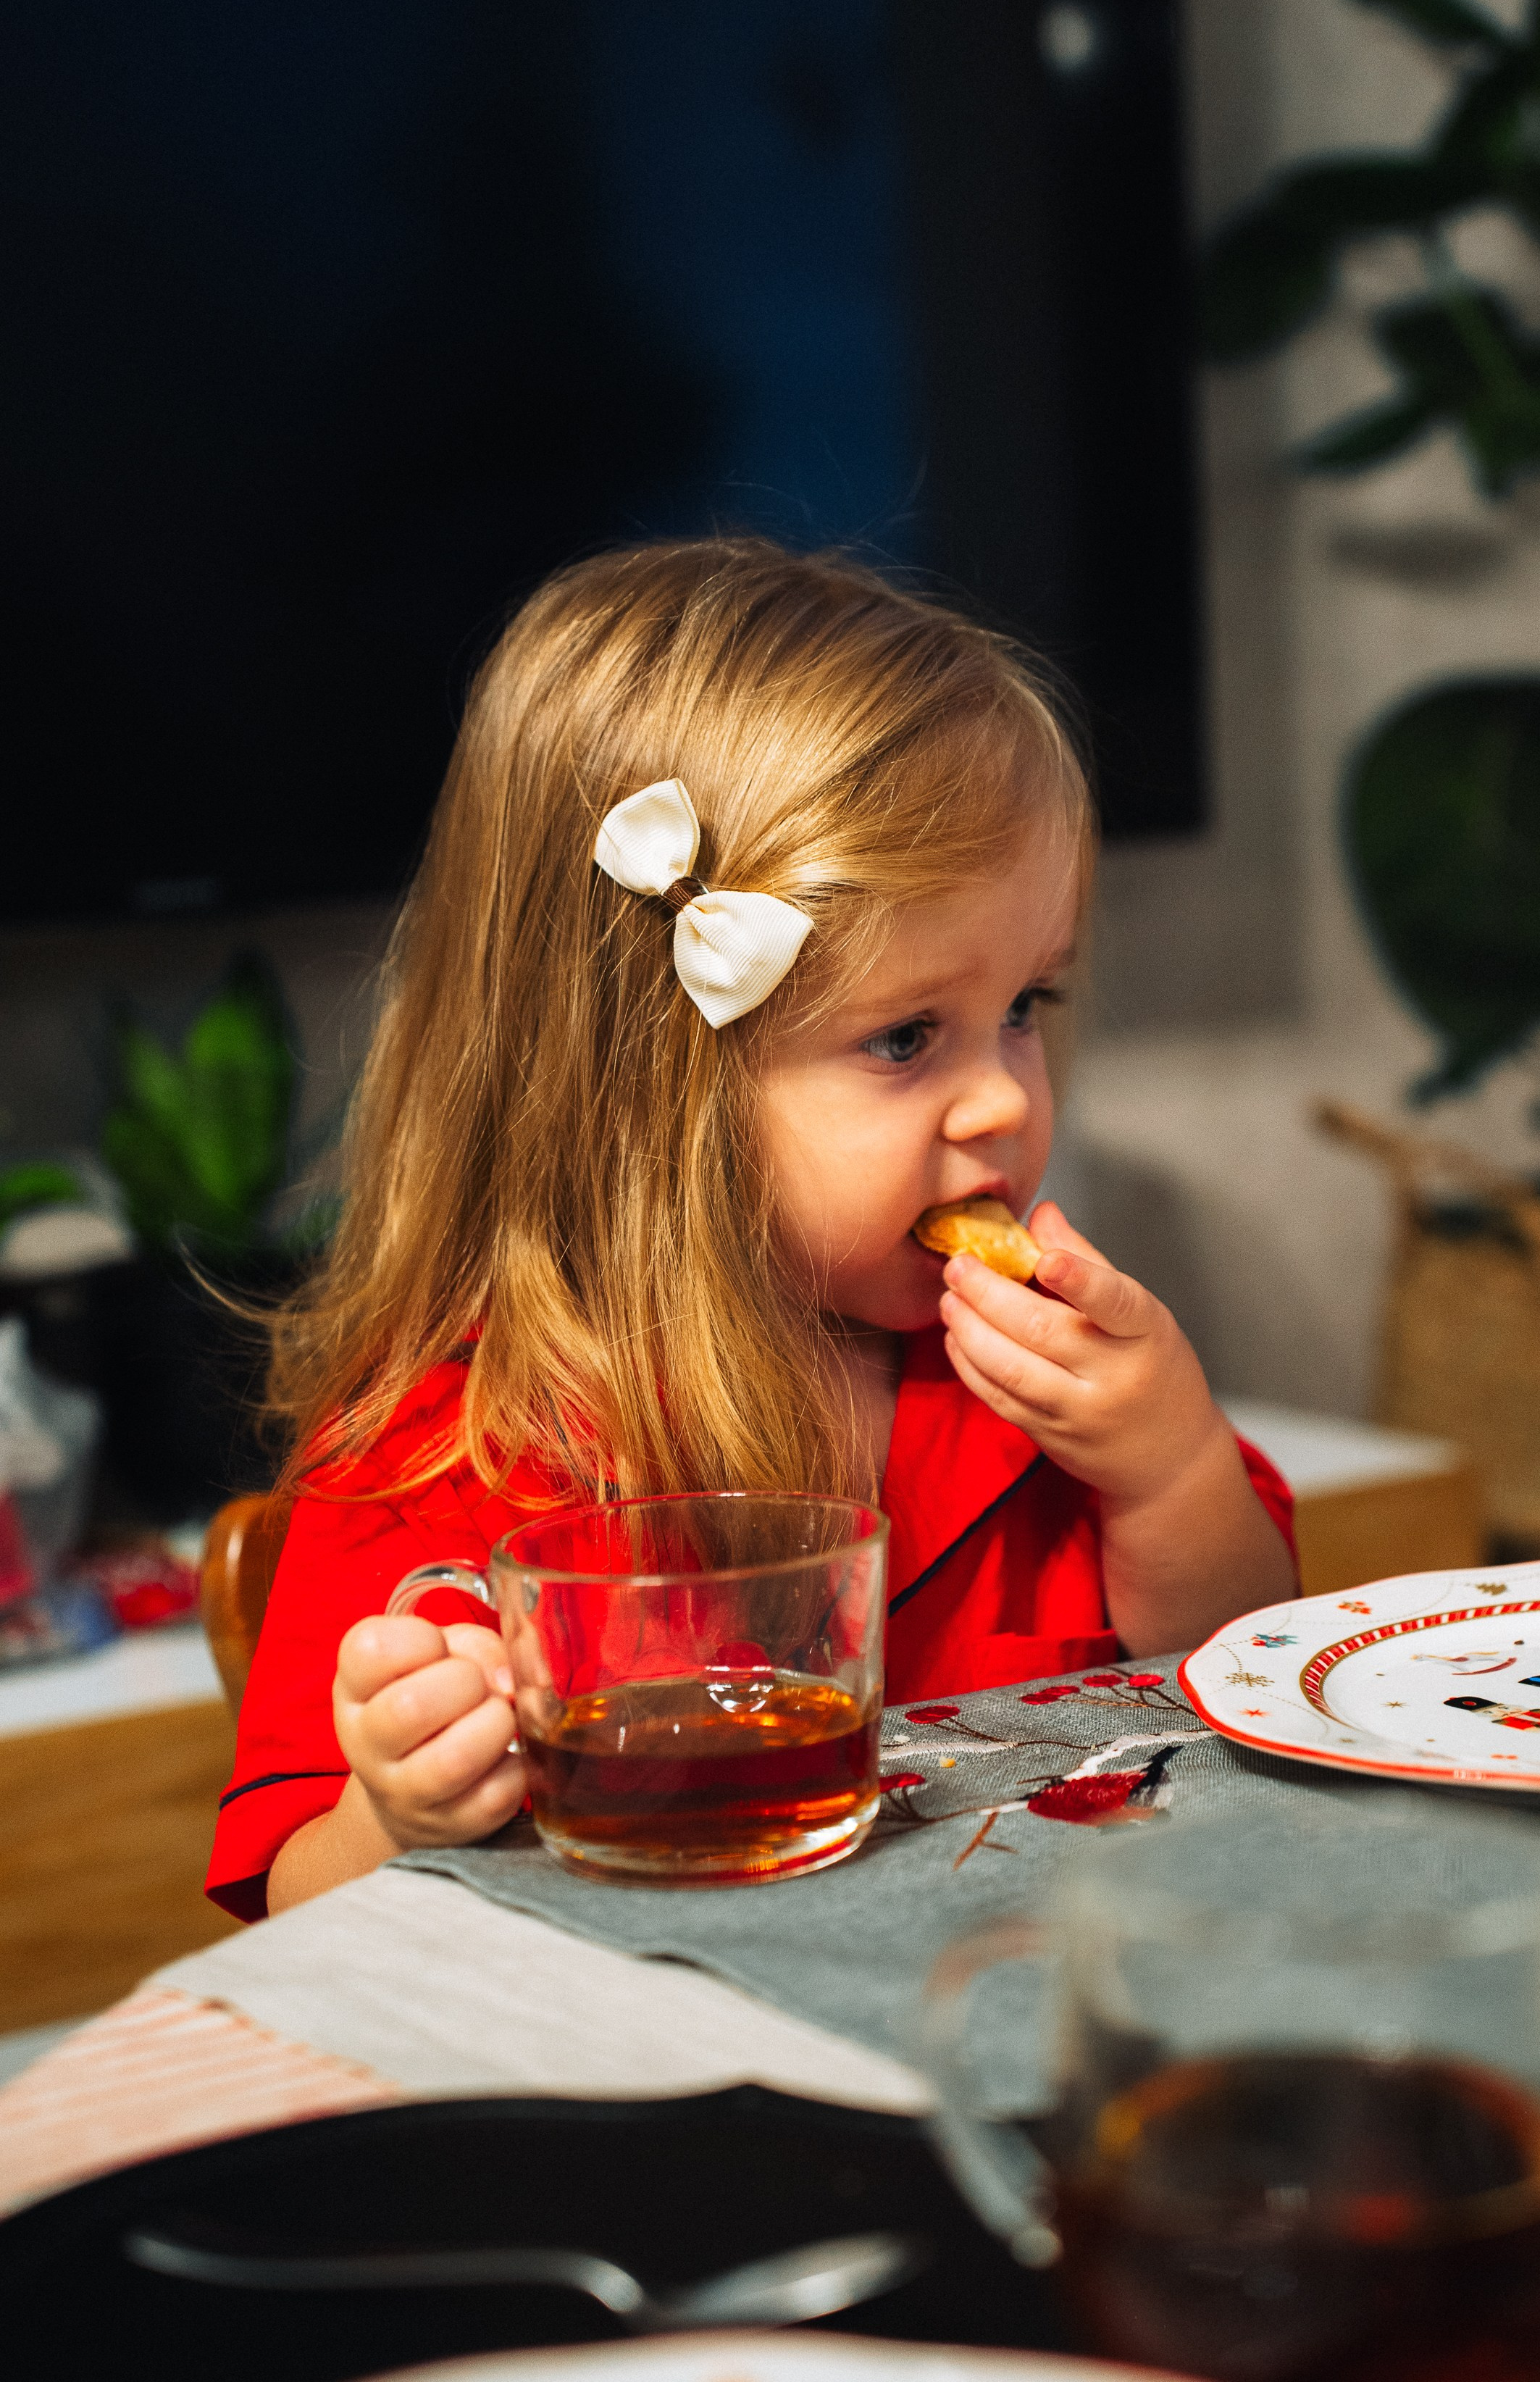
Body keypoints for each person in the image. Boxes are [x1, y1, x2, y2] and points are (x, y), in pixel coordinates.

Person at [208, 540, 1297, 1921]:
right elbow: (299, 1910)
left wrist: (1171, 1468)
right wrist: (398, 1814)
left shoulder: (1042, 1397)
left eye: (1028, 1006)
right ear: (645, 1085)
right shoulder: (456, 1449)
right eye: (906, 1038)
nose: (1002, 1102)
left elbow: (1245, 1669)